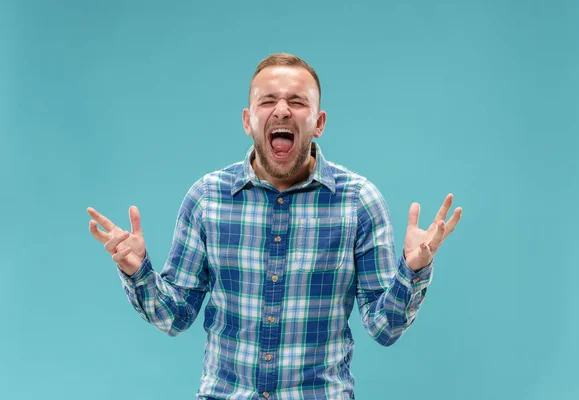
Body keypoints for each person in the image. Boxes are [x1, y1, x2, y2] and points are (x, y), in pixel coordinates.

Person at [87, 53, 462, 400]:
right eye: (268, 100)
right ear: (248, 119)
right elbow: (174, 316)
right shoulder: (206, 199)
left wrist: (413, 271)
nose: (282, 110)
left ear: (318, 123)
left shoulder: (359, 202)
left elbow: (385, 327)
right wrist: (137, 272)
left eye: (297, 101)